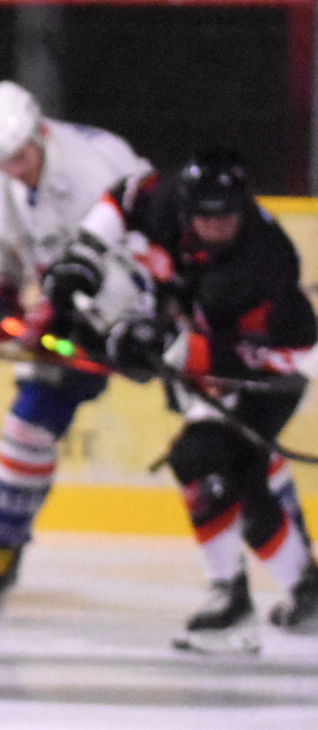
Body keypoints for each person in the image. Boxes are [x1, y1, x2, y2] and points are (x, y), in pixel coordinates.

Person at [56, 148, 318, 652]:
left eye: (227, 216)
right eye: (206, 215)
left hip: (272, 369)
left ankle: (232, 600)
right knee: (239, 476)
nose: (216, 225)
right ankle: (302, 591)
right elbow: (124, 199)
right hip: (214, 344)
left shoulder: (261, 265)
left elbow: (237, 360)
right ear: (186, 206)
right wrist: (84, 255)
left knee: (206, 459)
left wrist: (162, 345)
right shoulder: (168, 196)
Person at [0, 80, 151, 618]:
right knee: (25, 429)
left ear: (40, 131)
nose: (14, 171)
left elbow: (143, 256)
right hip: (73, 317)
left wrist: (91, 320)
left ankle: (296, 577)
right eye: (1, 163)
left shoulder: (96, 165)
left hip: (146, 308)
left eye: (19, 157)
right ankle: (3, 549)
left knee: (216, 431)